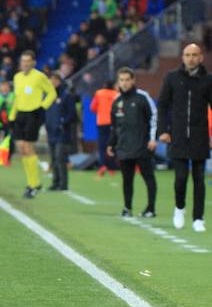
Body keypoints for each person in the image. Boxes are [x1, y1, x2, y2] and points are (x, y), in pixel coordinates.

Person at [157, 43, 212, 232]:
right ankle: (179, 208)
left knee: (199, 179)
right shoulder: (172, 78)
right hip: (177, 136)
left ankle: (198, 218)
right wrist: (162, 131)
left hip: (200, 136)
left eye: (195, 54)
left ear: (201, 57)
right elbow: (162, 105)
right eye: (187, 54)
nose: (191, 58)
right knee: (180, 178)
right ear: (182, 57)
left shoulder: (208, 80)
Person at [106, 67, 157, 218]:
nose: (125, 83)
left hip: (142, 145)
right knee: (127, 179)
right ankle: (127, 208)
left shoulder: (143, 97)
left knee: (148, 177)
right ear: (118, 82)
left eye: (127, 80)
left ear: (133, 80)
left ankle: (150, 208)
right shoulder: (116, 101)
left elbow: (154, 117)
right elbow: (115, 126)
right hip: (124, 147)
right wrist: (111, 143)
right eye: (122, 80)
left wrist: (153, 139)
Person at [10, 50, 57, 198]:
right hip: (20, 114)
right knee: (21, 148)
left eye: (27, 61)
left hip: (33, 113)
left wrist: (42, 107)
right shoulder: (17, 77)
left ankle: (33, 184)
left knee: (28, 147)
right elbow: (17, 97)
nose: (25, 63)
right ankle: (32, 182)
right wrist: (12, 115)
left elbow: (52, 93)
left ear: (33, 62)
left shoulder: (39, 77)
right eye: (23, 61)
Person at [45, 73, 77, 191]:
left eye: (54, 80)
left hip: (62, 133)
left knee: (60, 158)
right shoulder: (48, 95)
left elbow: (73, 114)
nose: (52, 82)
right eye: (50, 80)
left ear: (59, 81)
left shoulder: (66, 95)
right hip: (51, 131)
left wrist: (63, 123)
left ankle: (63, 184)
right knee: (53, 158)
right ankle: (55, 182)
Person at [90, 81, 119, 176]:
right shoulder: (117, 94)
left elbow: (92, 108)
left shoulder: (99, 93)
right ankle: (112, 167)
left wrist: (101, 110)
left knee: (102, 146)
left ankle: (103, 165)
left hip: (102, 122)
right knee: (112, 145)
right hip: (113, 123)